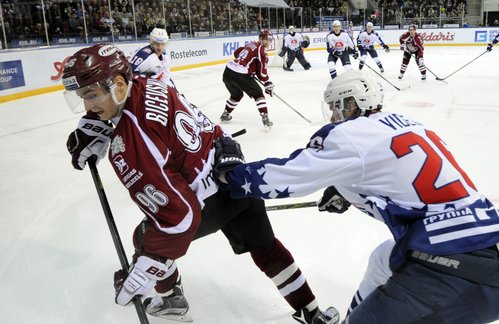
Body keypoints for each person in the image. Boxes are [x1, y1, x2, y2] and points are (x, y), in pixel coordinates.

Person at [214, 70, 499, 323]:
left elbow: (284, 178)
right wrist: (345, 190)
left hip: (454, 276)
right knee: (384, 258)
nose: (335, 115)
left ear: (350, 104)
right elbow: (401, 180)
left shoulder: (348, 134)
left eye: (338, 107)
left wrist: (232, 175)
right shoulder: (413, 125)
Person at [61, 43, 339, 324]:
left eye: (91, 96)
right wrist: (97, 122)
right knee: (266, 247)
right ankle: (313, 312)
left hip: (205, 203)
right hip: (233, 175)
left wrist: (149, 264)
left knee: (144, 237)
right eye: (84, 98)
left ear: (118, 85)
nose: (88, 106)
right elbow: (196, 124)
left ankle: (171, 300)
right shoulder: (150, 84)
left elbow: (180, 219)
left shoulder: (129, 146)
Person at [220, 30, 274, 130]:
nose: (268, 42)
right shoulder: (261, 50)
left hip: (228, 72)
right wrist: (267, 82)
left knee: (237, 95)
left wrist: (249, 68)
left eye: (270, 39)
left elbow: (237, 52)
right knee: (258, 94)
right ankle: (265, 119)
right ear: (261, 39)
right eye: (266, 39)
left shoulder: (251, 44)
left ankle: (225, 114)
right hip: (240, 74)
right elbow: (262, 71)